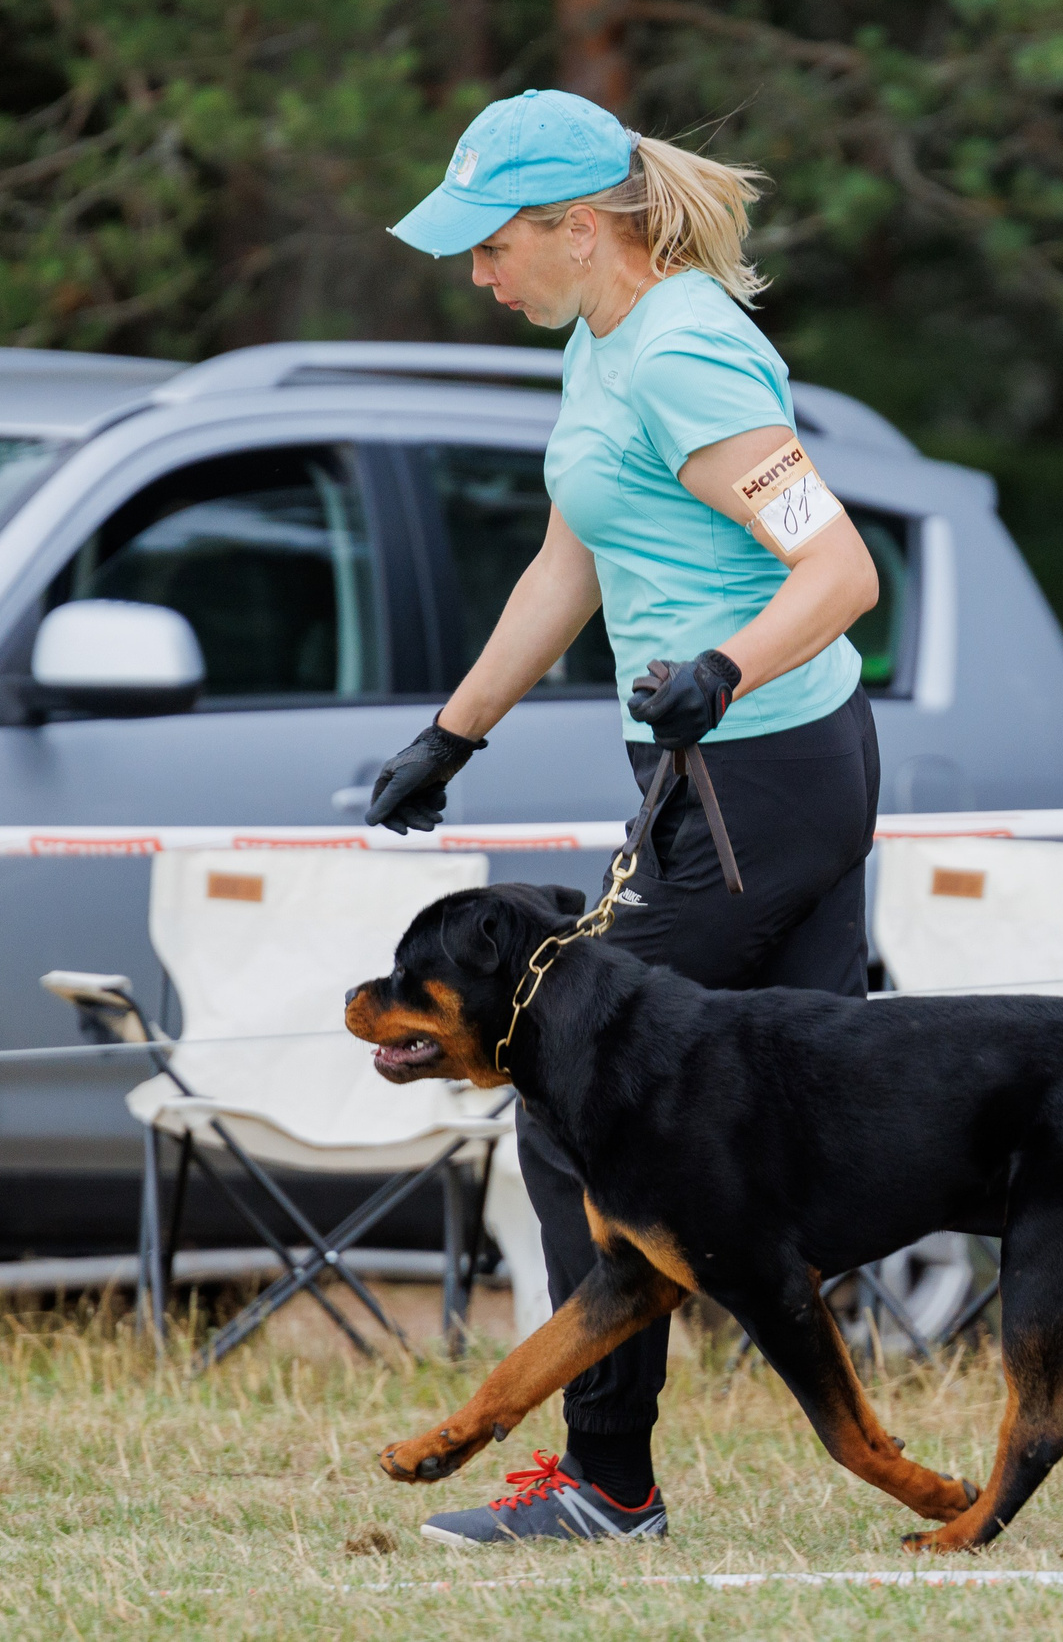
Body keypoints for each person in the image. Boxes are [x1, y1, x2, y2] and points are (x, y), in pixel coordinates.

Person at [369, 89, 884, 1544]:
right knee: (816, 1110)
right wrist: (451, 734)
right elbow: (568, 566)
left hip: (760, 774)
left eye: (493, 247)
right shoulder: (604, 347)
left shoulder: (688, 350)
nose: (480, 275)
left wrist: (721, 668)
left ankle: (606, 1484)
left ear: (579, 231)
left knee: (574, 1096)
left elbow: (839, 571)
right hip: (733, 770)